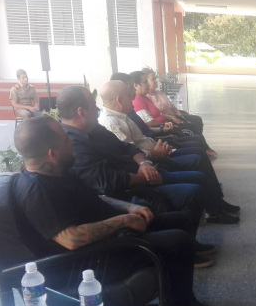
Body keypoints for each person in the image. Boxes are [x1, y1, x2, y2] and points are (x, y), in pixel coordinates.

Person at [11, 116, 219, 306]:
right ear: (51, 154)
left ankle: (186, 301)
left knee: (178, 220)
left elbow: (97, 197)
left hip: (108, 238)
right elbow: (71, 239)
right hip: (89, 260)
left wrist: (128, 208)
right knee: (177, 241)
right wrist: (123, 221)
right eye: (66, 140)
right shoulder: (37, 191)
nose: (71, 141)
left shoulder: (59, 172)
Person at [56, 85, 215, 241]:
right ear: (81, 112)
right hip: (129, 191)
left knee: (198, 177)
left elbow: (127, 146)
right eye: (93, 105)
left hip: (144, 173)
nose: (98, 109)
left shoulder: (95, 129)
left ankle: (191, 236)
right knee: (193, 191)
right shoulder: (74, 145)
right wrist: (145, 177)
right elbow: (106, 182)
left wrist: (144, 163)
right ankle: (186, 244)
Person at [97, 81, 240, 223]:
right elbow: (129, 156)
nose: (133, 98)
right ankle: (213, 210)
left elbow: (137, 143)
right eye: (129, 95)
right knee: (196, 159)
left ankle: (217, 202)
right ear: (119, 100)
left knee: (199, 152)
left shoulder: (122, 116)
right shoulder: (111, 124)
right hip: (154, 162)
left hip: (155, 152)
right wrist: (153, 154)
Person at [142, 67, 206, 137]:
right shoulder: (147, 98)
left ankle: (201, 142)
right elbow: (156, 117)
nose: (156, 81)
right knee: (191, 126)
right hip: (168, 121)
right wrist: (173, 119)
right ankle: (199, 141)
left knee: (197, 119)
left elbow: (172, 107)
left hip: (174, 116)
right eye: (153, 79)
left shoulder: (159, 93)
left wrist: (181, 116)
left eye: (155, 78)